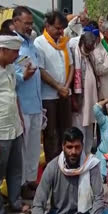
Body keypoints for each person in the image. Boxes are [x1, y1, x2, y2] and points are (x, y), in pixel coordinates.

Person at [32, 127, 108, 214]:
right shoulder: (53, 167)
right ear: (63, 146)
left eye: (77, 147)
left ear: (82, 146)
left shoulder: (91, 165)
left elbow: (98, 198)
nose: (73, 152)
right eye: (69, 147)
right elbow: (38, 203)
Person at [34, 11, 74, 163]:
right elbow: (41, 70)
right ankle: (52, 166)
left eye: (62, 28)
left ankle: (66, 162)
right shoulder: (39, 43)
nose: (60, 31)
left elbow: (70, 65)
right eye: (57, 28)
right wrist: (58, 87)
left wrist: (66, 87)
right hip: (48, 96)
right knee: (51, 134)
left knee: (66, 131)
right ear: (47, 26)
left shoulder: (64, 42)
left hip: (64, 94)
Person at [12, 6, 42, 198]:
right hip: (21, 104)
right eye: (27, 23)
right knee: (21, 150)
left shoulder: (32, 44)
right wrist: (23, 76)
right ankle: (21, 184)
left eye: (31, 23)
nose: (30, 27)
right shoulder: (12, 46)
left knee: (33, 148)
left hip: (36, 104)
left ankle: (31, 181)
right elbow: (9, 74)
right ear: (15, 22)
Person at [0, 30, 29, 213]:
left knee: (15, 169)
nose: (17, 56)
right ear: (3, 50)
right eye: (14, 52)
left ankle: (15, 202)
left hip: (14, 127)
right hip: (1, 130)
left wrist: (20, 117)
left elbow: (14, 94)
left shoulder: (10, 68)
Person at [72, 31, 98, 154]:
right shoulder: (75, 54)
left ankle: (87, 154)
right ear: (82, 43)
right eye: (88, 47)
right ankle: (80, 155)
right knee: (80, 127)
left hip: (91, 100)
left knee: (89, 127)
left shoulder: (89, 56)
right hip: (80, 100)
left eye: (91, 47)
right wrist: (74, 99)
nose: (90, 50)